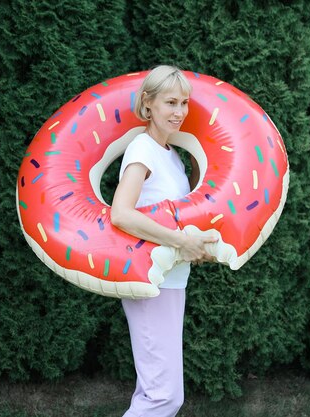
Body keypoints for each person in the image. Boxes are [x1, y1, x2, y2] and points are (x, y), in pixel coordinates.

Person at [110, 65, 217, 416]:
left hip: (172, 281)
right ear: (148, 103)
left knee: (153, 390)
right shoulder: (142, 149)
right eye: (170, 102)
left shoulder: (173, 156)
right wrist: (179, 242)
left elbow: (177, 217)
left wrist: (195, 246)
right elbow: (122, 213)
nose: (179, 112)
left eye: (184, 103)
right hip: (148, 282)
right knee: (164, 396)